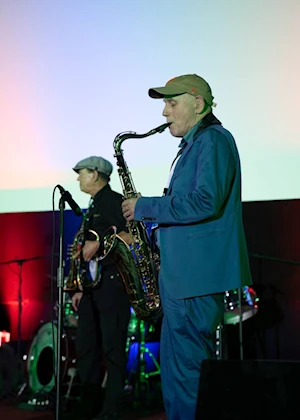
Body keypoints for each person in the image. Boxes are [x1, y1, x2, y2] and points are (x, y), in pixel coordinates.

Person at [122, 74, 252, 419]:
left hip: (194, 278)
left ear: (197, 104)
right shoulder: (195, 145)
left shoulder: (213, 140)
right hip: (183, 277)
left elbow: (206, 201)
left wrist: (145, 206)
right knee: (180, 376)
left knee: (189, 375)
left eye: (171, 103)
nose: (164, 112)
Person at [70, 156, 131, 420]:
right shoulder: (93, 205)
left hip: (113, 286)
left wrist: (101, 244)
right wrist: (80, 287)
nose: (78, 178)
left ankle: (113, 409)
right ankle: (89, 406)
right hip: (92, 288)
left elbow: (133, 235)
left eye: (81, 173)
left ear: (95, 174)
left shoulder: (115, 201)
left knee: (113, 348)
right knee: (86, 348)